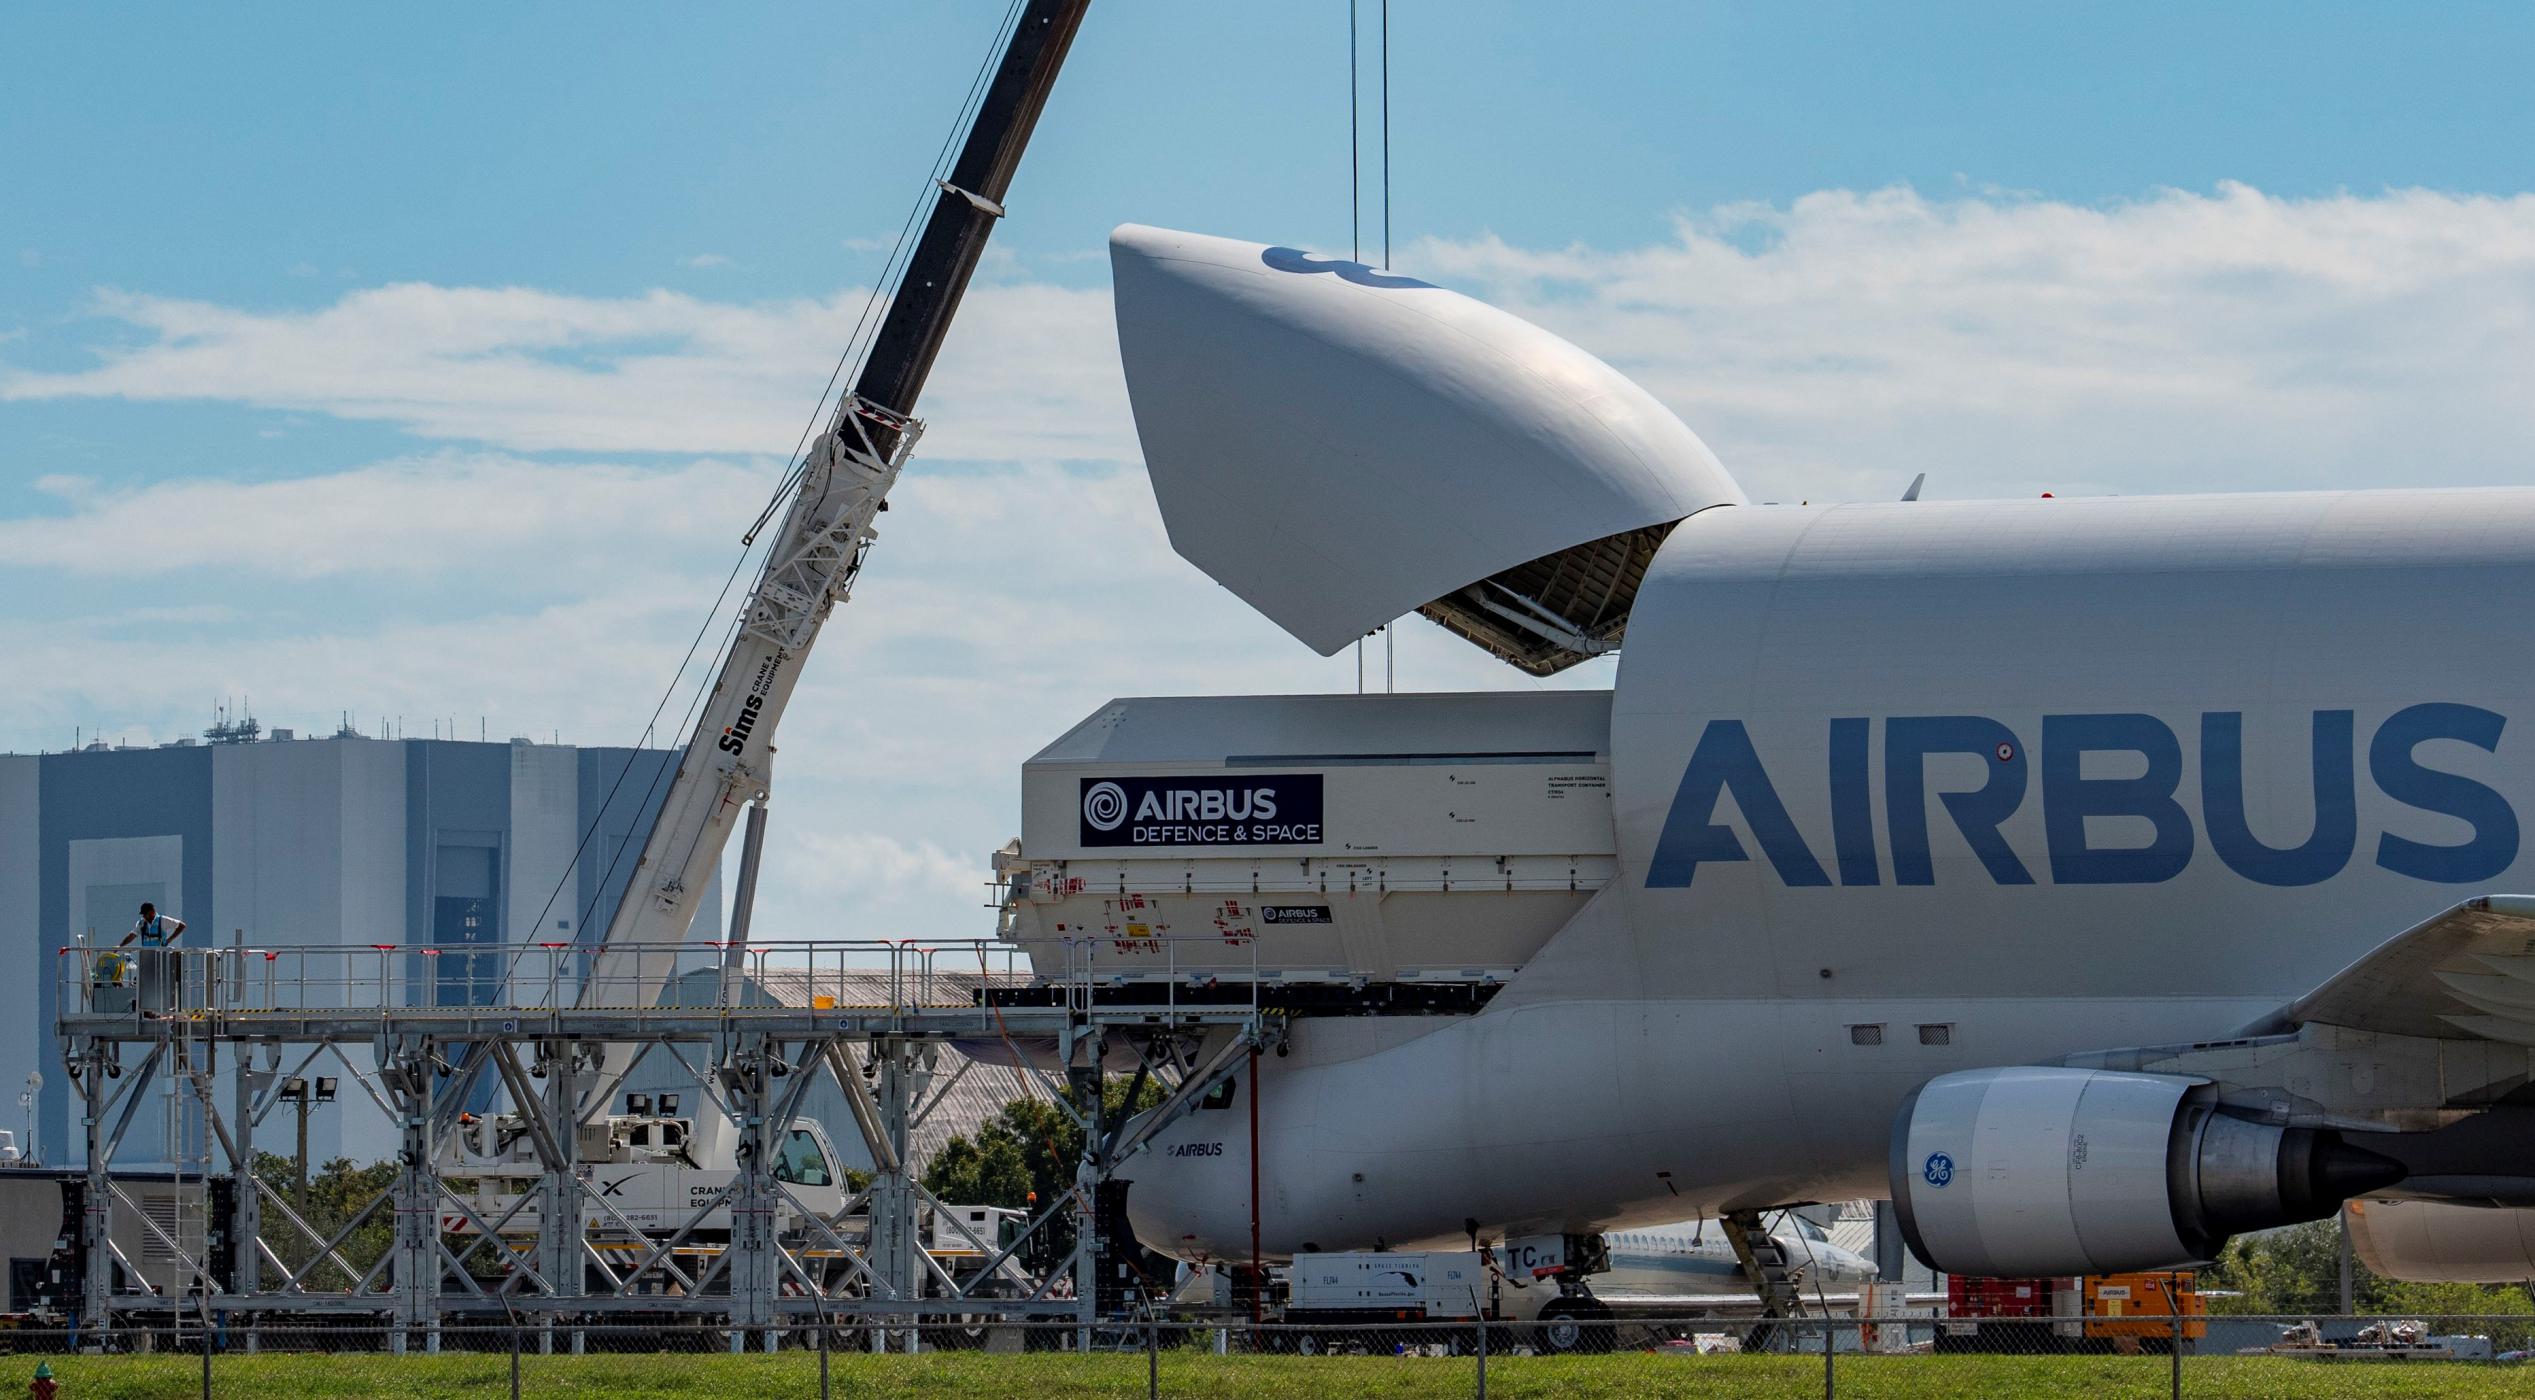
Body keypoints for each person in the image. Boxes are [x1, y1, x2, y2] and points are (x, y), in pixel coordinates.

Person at [118, 902, 187, 1015]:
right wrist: (120, 946)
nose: (144, 917)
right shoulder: (141, 924)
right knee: (145, 984)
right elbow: (132, 935)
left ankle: (163, 1011)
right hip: (147, 958)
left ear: (152, 912)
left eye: (145, 914)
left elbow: (181, 925)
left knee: (161, 984)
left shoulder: (162, 920)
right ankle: (148, 1012)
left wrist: (169, 940)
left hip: (161, 958)